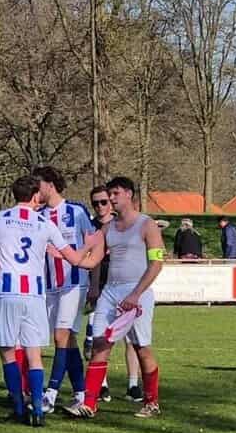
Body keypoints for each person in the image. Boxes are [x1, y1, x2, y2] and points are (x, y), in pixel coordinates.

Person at [52, 176, 167, 419]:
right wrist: (63, 254)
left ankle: (151, 401)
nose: (111, 199)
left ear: (128, 194)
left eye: (115, 194)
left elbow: (157, 263)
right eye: (109, 194)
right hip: (111, 292)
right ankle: (90, 404)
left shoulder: (147, 225)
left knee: (141, 348)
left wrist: (136, 294)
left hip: (137, 293)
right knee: (99, 345)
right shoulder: (107, 228)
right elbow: (92, 260)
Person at [0, 175, 73, 427]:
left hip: (7, 292)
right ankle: (37, 409)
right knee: (33, 354)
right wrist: (89, 253)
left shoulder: (0, 218)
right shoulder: (44, 222)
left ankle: (18, 407)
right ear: (36, 195)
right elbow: (69, 254)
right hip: (35, 294)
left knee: (7, 352)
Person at [35, 166, 98, 415]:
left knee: (61, 335)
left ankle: (49, 394)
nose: (36, 190)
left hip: (74, 281)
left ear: (50, 184)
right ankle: (81, 394)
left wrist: (93, 281)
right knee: (67, 339)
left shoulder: (76, 211)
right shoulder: (38, 215)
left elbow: (93, 242)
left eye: (38, 184)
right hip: (49, 284)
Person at [84, 185, 125, 402]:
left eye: (103, 202)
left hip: (121, 284)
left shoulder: (121, 224)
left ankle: (135, 387)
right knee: (98, 336)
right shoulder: (91, 227)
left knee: (129, 339)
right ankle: (102, 384)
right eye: (95, 203)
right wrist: (92, 287)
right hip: (97, 286)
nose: (100, 207)